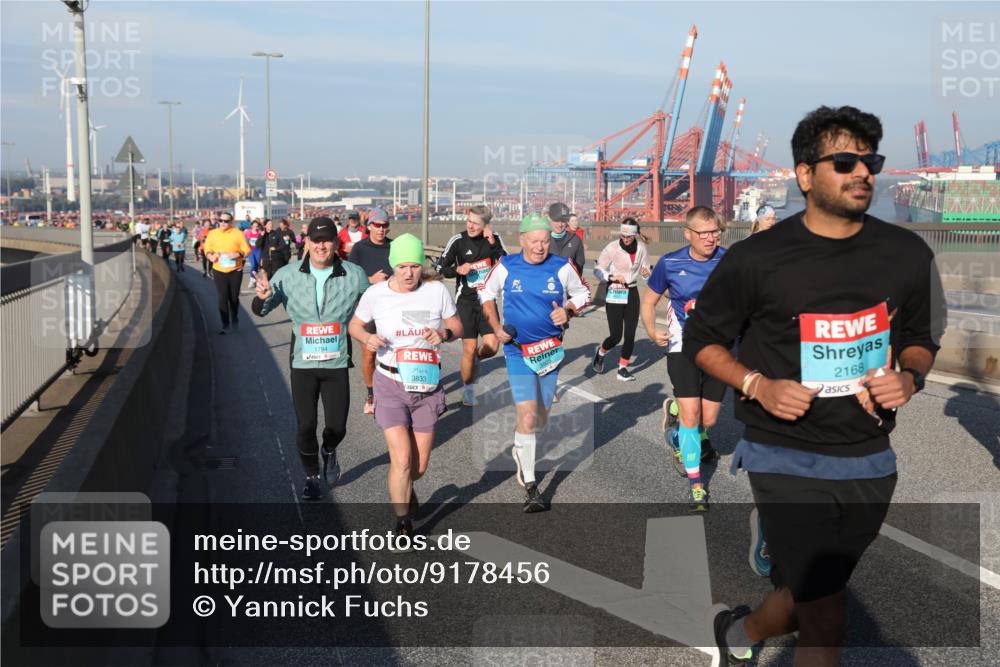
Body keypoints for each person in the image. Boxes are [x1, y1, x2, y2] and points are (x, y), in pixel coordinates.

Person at [683, 106, 943, 666]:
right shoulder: (756, 259)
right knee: (826, 620)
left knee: (815, 592)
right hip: (783, 452)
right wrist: (756, 384)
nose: (862, 172)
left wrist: (910, 376)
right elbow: (701, 341)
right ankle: (775, 566)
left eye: (870, 160)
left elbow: (922, 337)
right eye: (844, 161)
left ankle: (740, 631)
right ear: (804, 175)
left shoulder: (907, 255)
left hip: (870, 456)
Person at [348, 234, 462, 543]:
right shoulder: (375, 294)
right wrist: (366, 338)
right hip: (390, 382)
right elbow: (355, 325)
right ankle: (402, 523)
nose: (409, 273)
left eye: (414, 266)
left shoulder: (436, 291)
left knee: (419, 465)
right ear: (393, 265)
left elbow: (457, 325)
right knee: (401, 460)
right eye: (402, 267)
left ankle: (407, 489)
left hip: (427, 384)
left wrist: (444, 333)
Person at [479, 213, 591, 513]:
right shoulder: (506, 266)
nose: (540, 247)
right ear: (522, 240)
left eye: (544, 241)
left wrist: (568, 309)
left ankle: (521, 448)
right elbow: (486, 293)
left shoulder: (561, 267)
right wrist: (495, 325)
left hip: (550, 352)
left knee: (540, 418)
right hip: (517, 351)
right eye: (534, 241)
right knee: (528, 416)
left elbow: (584, 293)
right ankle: (531, 485)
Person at [253, 217, 368, 500]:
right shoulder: (287, 274)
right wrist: (261, 296)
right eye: (315, 240)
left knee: (337, 427)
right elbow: (261, 310)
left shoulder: (354, 274)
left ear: (335, 243)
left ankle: (329, 450)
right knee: (305, 425)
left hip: (336, 364)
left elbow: (375, 309)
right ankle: (311, 476)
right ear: (307, 242)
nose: (321, 246)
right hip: (303, 365)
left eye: (327, 240)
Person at [641, 206, 726, 512]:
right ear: (688, 233)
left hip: (720, 351)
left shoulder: (729, 260)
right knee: (693, 418)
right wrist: (653, 331)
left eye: (715, 231)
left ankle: (675, 415)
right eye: (703, 233)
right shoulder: (671, 262)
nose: (710, 238)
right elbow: (649, 302)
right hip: (682, 347)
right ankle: (696, 484)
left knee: (710, 418)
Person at [435, 205, 508, 406]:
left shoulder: (494, 239)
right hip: (466, 301)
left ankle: (473, 360)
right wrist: (458, 269)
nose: (470, 226)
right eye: (469, 221)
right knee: (468, 348)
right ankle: (468, 390)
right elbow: (440, 267)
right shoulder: (458, 241)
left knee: (492, 347)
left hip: (487, 301)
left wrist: (493, 244)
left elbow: (508, 264)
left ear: (485, 225)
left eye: (475, 223)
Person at [592, 218, 650, 381]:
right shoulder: (612, 247)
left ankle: (622, 368)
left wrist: (652, 283)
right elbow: (598, 270)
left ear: (635, 235)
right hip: (615, 292)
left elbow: (645, 270)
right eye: (623, 236)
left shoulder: (641, 249)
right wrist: (611, 277)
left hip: (631, 292)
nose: (625, 239)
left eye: (629, 236)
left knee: (630, 334)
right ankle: (601, 352)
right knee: (616, 336)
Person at [348, 207, 393, 415]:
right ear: (369, 227)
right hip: (366, 309)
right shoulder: (359, 249)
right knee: (368, 356)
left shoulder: (395, 247)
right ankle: (371, 393)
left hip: (391, 309)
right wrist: (370, 280)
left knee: (393, 353)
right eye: (377, 225)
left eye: (384, 226)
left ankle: (393, 390)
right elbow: (350, 280)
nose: (381, 230)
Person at [203, 211, 252, 334]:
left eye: (226, 221)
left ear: (231, 222)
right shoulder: (213, 234)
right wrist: (210, 256)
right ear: (218, 221)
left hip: (235, 269)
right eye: (221, 220)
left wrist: (237, 254)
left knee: (233, 297)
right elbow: (207, 248)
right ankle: (225, 324)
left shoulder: (238, 234)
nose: (223, 223)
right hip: (219, 269)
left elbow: (247, 250)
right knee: (222, 297)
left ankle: (234, 316)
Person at [546, 202, 586, 274]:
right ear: (550, 219)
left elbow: (580, 265)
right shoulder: (541, 239)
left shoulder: (576, 240)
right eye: (557, 220)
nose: (560, 225)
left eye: (563, 221)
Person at [245, 220, 265, 288]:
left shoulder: (259, 233)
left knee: (256, 265)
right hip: (251, 250)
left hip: (258, 250)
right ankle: (251, 280)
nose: (256, 227)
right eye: (254, 225)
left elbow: (262, 241)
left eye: (257, 226)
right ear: (252, 226)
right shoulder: (248, 232)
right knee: (253, 264)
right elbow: (246, 241)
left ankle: (255, 280)